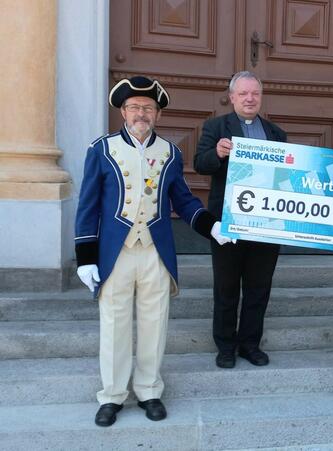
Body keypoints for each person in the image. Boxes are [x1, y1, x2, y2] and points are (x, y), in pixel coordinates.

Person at [75, 76, 217, 427]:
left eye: (149, 108)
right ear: (123, 111)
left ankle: (149, 390)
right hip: (115, 252)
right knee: (114, 325)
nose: (142, 113)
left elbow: (182, 200)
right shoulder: (102, 149)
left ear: (158, 114)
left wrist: (210, 225)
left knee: (155, 324)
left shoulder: (170, 152)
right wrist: (85, 257)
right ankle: (112, 395)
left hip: (155, 251)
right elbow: (88, 205)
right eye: (135, 107)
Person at [194, 71, 287, 369]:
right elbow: (199, 164)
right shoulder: (215, 127)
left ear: (261, 97)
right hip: (228, 223)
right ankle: (225, 345)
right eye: (243, 94)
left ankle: (250, 344)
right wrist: (217, 154)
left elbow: (287, 176)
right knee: (226, 286)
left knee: (259, 286)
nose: (249, 99)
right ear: (232, 97)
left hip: (267, 223)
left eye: (255, 94)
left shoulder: (276, 134)